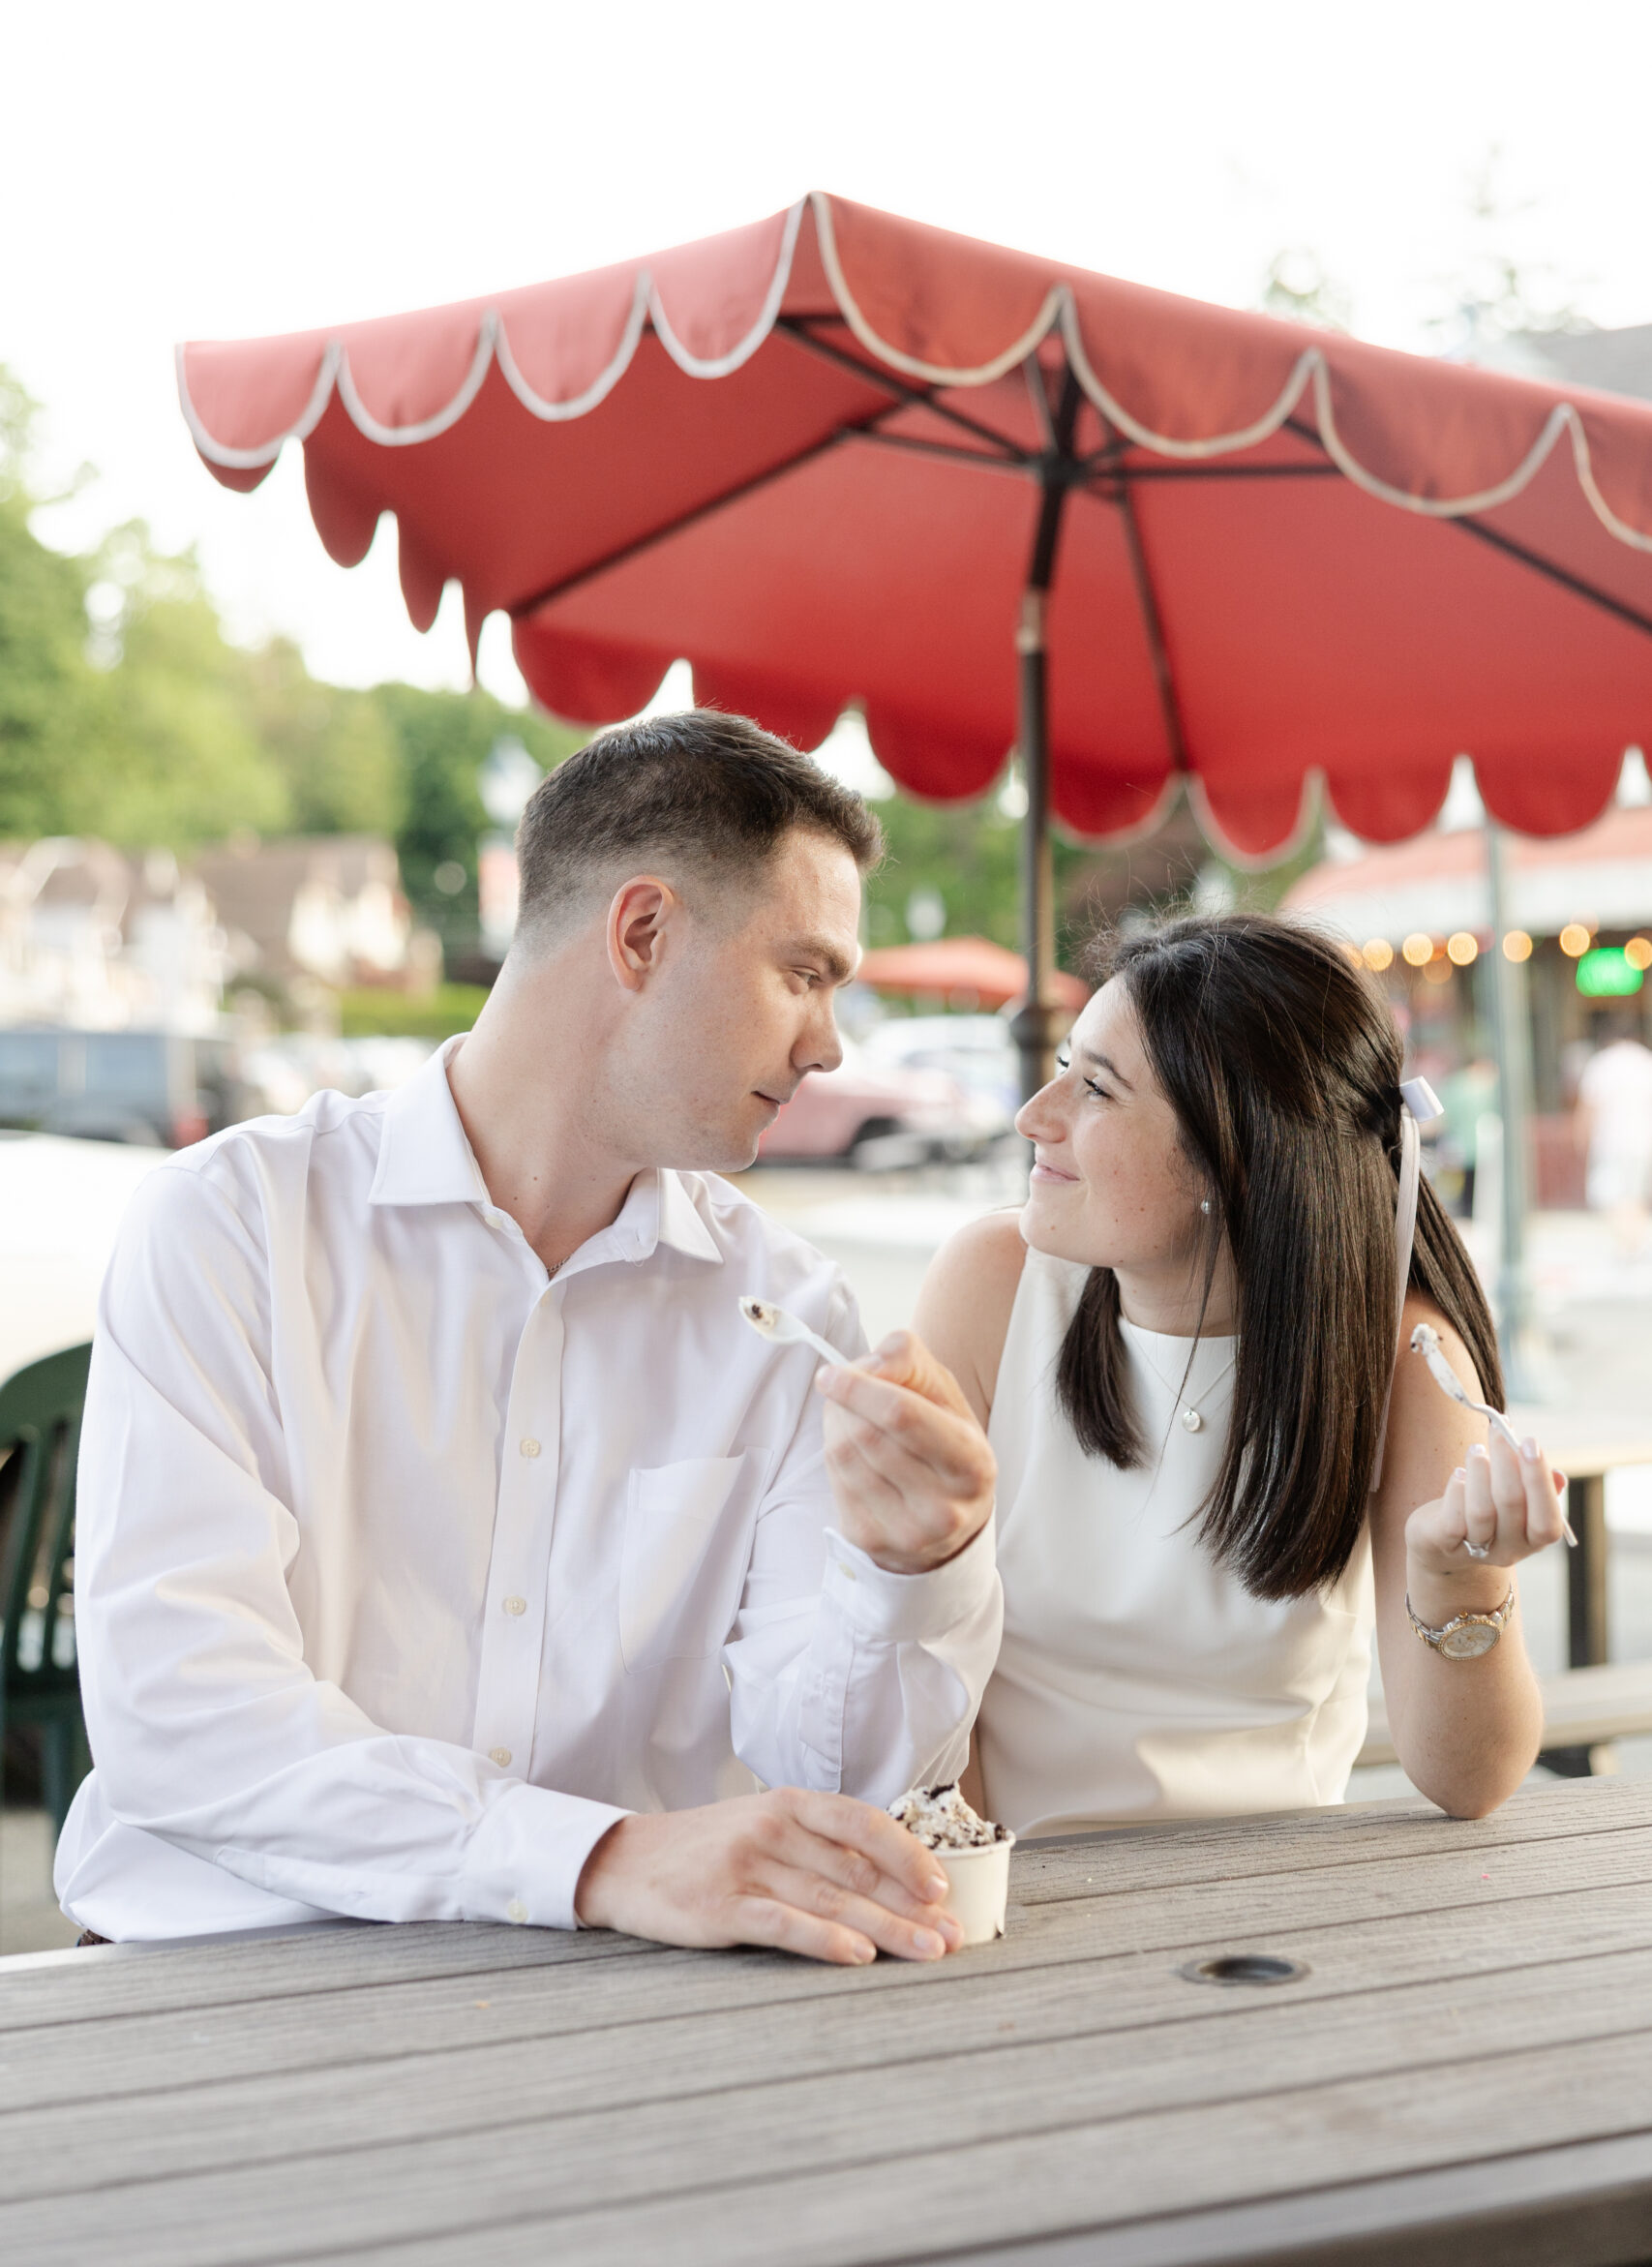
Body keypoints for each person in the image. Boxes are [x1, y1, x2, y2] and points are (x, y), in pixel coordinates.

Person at [56, 713, 1000, 1963]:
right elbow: (183, 1720)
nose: (828, 1044)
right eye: (807, 972)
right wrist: (598, 1856)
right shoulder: (234, 1228)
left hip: (604, 1998)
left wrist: (909, 1570)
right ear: (643, 932)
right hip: (228, 1978)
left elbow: (836, 1778)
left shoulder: (787, 1310)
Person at [817, 914, 1569, 1836]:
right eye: (1062, 1068)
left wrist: (1455, 1580)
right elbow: (928, 1667)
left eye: (1093, 1089)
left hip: (1269, 1901)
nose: (1031, 1118)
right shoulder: (993, 1284)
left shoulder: (1401, 1358)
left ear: (1235, 1157)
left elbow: (1469, 1782)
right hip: (1006, 1874)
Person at [1577, 1015, 1652, 1259]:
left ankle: (1633, 1241)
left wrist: (1581, 1137)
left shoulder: (1602, 1063)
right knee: (1633, 1193)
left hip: (1611, 1142)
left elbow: (1589, 1107)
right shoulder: (1645, 1060)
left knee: (1610, 1194)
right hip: (1643, 1141)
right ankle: (1634, 1241)